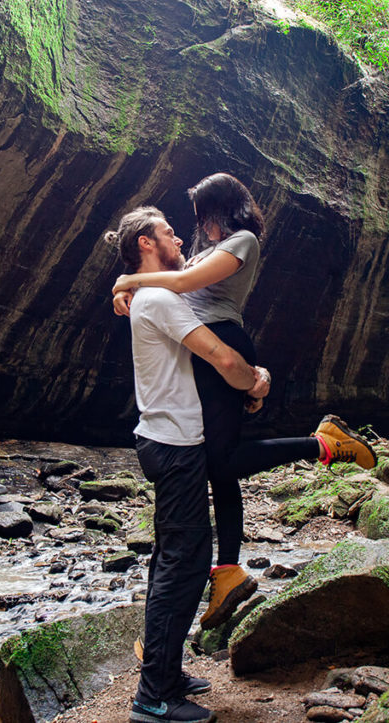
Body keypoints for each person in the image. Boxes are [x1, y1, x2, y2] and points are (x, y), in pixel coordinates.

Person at [110, 179, 377, 630]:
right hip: (205, 349)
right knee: (220, 464)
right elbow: (171, 284)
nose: (198, 227)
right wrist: (124, 292)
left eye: (203, 216)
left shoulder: (242, 241)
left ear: (225, 209)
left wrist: (128, 279)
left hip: (223, 341)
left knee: (223, 460)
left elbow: (184, 281)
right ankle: (228, 571)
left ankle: (322, 445)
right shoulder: (202, 251)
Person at [105, 206, 270, 723]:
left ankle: (167, 674)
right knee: (182, 564)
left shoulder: (152, 295)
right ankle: (154, 698)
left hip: (169, 442)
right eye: (168, 232)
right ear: (147, 245)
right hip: (174, 447)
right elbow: (221, 357)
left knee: (174, 561)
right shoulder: (159, 298)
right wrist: (257, 381)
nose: (180, 238)